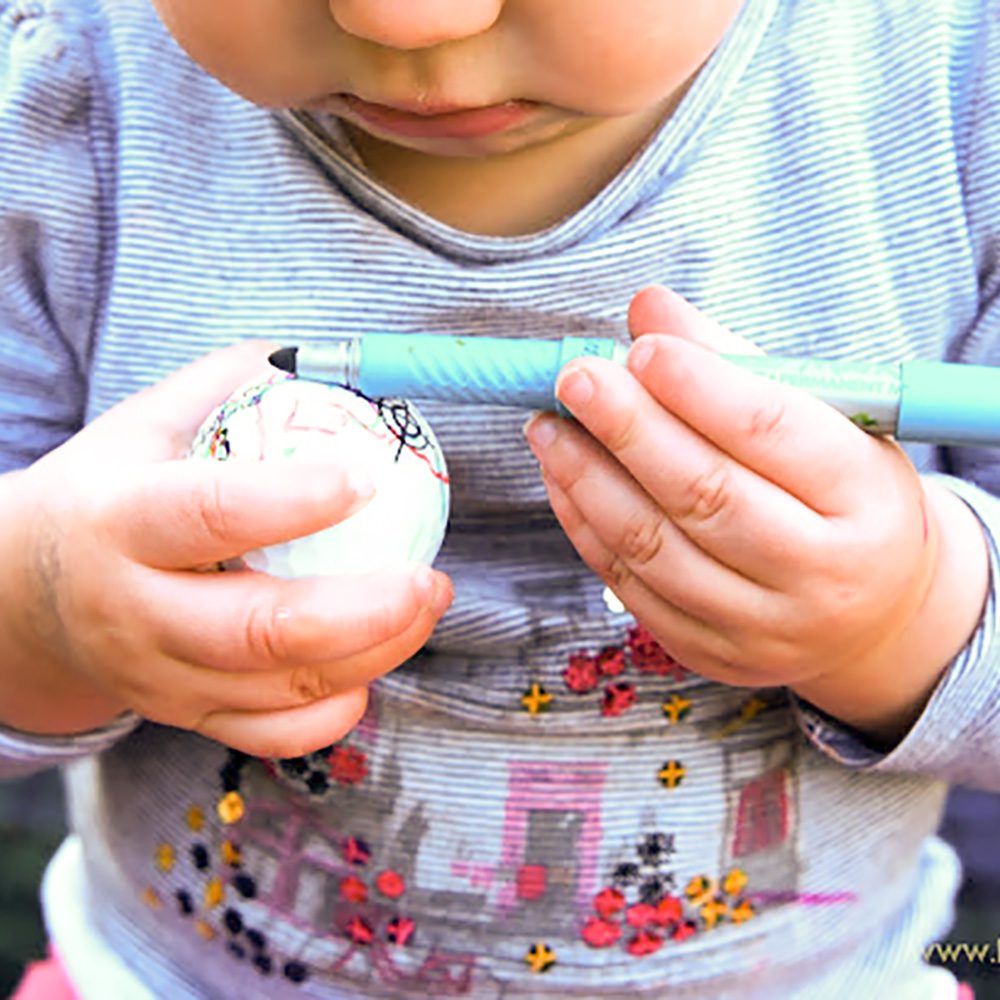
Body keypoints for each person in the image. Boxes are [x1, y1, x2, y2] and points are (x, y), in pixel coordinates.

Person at [1, 0, 998, 996]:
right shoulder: (62, 91)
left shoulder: (955, 85)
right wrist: (43, 608)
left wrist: (910, 616)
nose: (410, 22)